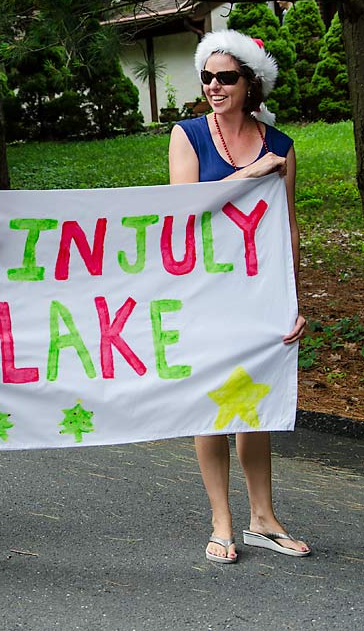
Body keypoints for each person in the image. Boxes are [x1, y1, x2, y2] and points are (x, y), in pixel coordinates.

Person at [168, 29, 310, 564]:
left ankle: (262, 518)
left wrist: (293, 297)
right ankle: (221, 520)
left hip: (260, 291)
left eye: (226, 77)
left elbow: (289, 228)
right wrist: (248, 174)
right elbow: (184, 211)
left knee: (256, 403)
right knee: (213, 404)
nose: (214, 86)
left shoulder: (282, 146)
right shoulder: (189, 136)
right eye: (207, 77)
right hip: (205, 289)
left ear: (251, 84)